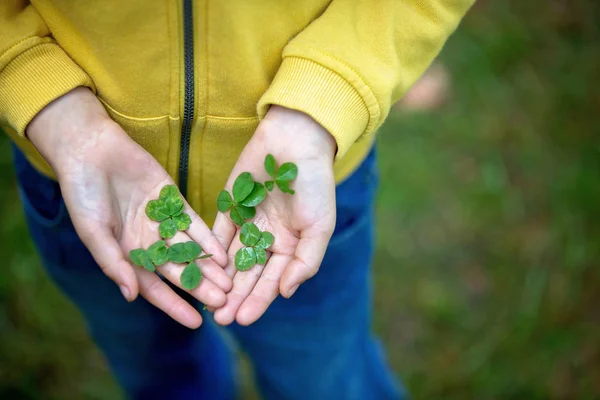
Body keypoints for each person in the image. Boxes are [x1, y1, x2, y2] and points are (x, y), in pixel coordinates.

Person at [0, 1, 473, 399]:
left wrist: (328, 95)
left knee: (324, 376)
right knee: (156, 372)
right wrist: (42, 96)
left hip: (308, 185)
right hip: (83, 187)